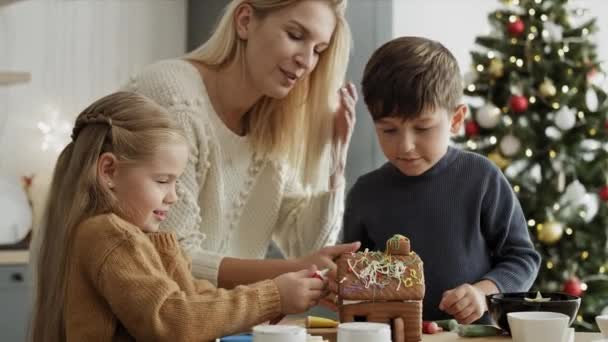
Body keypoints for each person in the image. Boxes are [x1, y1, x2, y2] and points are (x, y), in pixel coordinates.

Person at [30, 92, 326, 341]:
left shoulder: (130, 237)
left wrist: (271, 302)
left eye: (176, 182)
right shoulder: (107, 234)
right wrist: (272, 296)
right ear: (109, 171)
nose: (173, 196)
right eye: (162, 180)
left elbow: (194, 299)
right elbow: (172, 319)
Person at [124, 0, 359, 293]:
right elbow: (171, 256)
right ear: (245, 21)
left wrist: (335, 157)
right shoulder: (174, 98)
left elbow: (309, 247)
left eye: (318, 51)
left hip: (224, 327)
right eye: (296, 36)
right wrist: (295, 271)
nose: (307, 61)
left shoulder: (273, 128)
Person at [342, 36, 541, 324]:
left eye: (422, 128)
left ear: (456, 119)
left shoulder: (482, 177)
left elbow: (522, 257)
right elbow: (352, 277)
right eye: (389, 130)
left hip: (469, 337)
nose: (405, 146)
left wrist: (483, 293)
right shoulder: (365, 193)